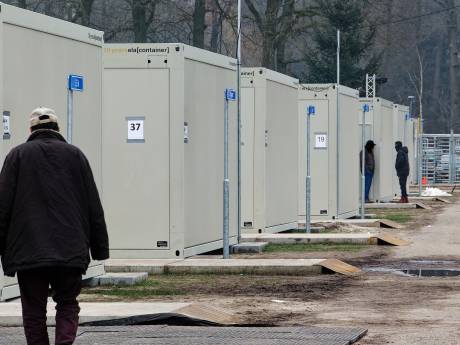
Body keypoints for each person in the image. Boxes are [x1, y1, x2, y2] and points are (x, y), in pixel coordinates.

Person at [0, 107, 109, 345]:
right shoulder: (76, 155)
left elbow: (3, 207)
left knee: (33, 310)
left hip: (28, 250)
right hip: (70, 248)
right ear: (58, 129)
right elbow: (93, 205)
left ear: (30, 130)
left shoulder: (17, 156)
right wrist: (100, 249)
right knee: (68, 304)